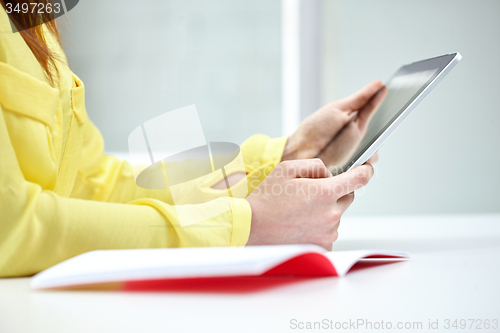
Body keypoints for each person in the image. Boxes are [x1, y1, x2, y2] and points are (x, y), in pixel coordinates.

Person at [0, 1, 384, 278]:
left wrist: (286, 156)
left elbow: (95, 185)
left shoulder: (29, 21)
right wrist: (244, 228)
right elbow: (11, 225)